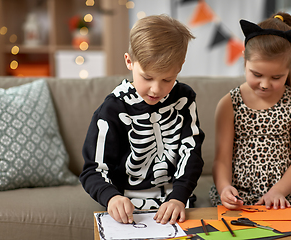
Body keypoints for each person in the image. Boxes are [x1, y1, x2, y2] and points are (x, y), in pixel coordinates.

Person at [80, 14, 204, 226]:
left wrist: (178, 196)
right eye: (147, 77)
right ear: (129, 61)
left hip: (175, 201)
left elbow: (191, 152)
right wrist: (111, 197)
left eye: (167, 79)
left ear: (180, 67)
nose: (156, 89)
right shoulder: (111, 110)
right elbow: (93, 169)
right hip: (126, 208)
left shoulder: (184, 99)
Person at [209, 12, 291, 239]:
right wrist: (224, 188)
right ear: (244, 59)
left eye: (276, 77)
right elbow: (221, 159)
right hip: (240, 198)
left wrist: (278, 191)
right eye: (256, 74)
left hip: (285, 196)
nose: (264, 84)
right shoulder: (228, 104)